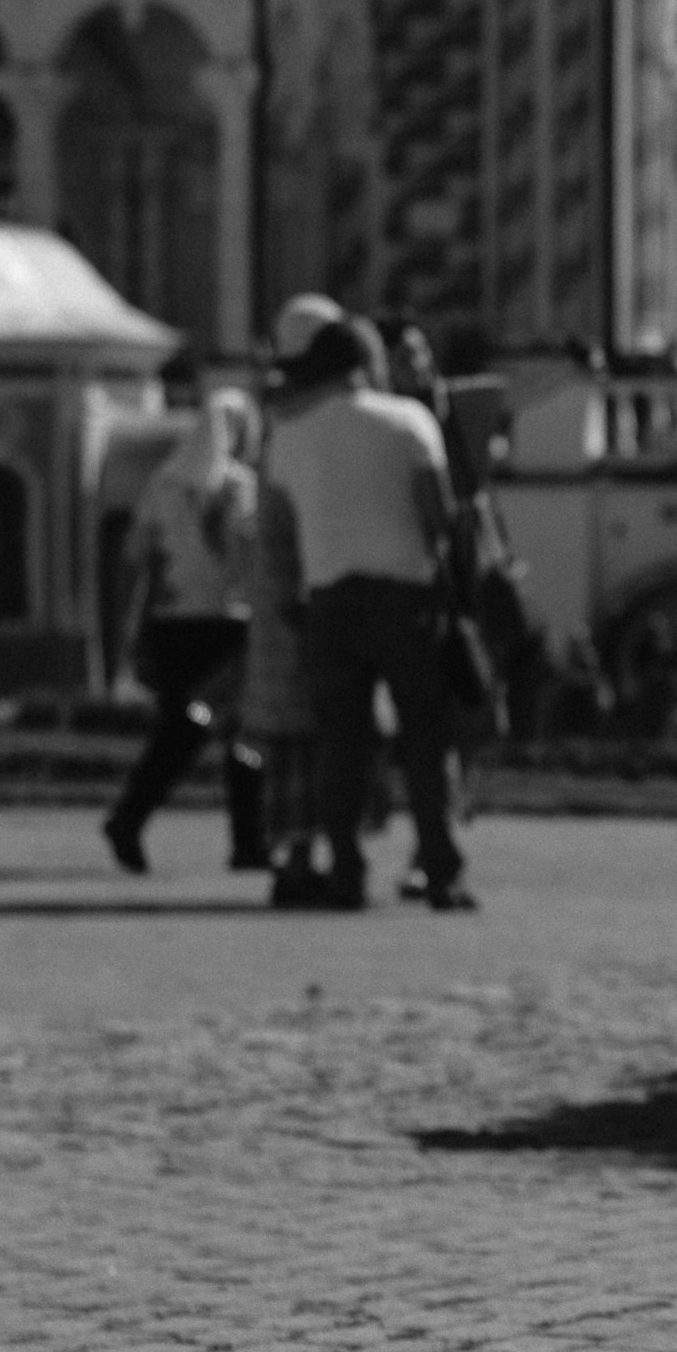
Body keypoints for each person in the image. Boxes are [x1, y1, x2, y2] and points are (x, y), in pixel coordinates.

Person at [262, 307, 469, 912]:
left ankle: (346, 871)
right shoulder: (408, 421)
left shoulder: (288, 435)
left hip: (326, 604)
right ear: (365, 364)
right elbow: (441, 518)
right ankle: (440, 869)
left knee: (340, 745)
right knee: (425, 739)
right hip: (406, 601)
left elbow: (278, 531)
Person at [103, 388, 269, 874]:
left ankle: (132, 817)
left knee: (178, 734)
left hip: (172, 625)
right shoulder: (238, 486)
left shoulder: (163, 484)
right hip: (226, 626)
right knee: (240, 736)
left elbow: (135, 558)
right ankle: (246, 839)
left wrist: (132, 625)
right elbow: (245, 559)